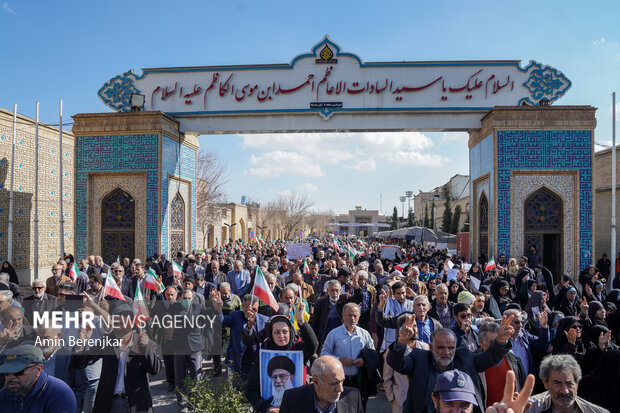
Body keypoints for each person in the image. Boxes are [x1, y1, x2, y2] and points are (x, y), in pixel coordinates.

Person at [387, 315, 515, 413]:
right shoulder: (419, 357)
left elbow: (489, 358)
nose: (446, 352)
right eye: (441, 347)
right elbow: (397, 363)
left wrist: (501, 340)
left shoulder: (464, 357)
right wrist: (402, 342)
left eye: (451, 347)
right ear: (431, 347)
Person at [71, 304, 162, 413]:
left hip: (136, 405)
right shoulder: (107, 341)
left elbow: (154, 369)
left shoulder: (144, 342)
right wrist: (81, 343)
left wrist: (145, 348)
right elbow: (80, 363)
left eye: (122, 323)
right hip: (109, 404)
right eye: (115, 324)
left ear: (132, 323)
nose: (118, 327)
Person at [245, 304, 319, 412]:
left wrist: (301, 320)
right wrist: (267, 408)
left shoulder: (299, 349)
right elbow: (250, 391)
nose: (281, 336)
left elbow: (313, 345)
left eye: (284, 332)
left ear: (292, 377)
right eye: (276, 332)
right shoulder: (264, 354)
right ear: (271, 334)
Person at [321, 303, 375, 407]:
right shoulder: (334, 334)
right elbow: (324, 354)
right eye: (349, 315)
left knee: (359, 407)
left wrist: (363, 360)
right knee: (341, 408)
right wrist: (339, 360)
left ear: (359, 317)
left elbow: (372, 353)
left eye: (355, 316)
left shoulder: (364, 334)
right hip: (340, 382)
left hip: (360, 381)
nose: (352, 318)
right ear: (343, 316)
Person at [0, 344, 76, 412]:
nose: (11, 377)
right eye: (6, 372)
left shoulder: (60, 393)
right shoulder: (2, 396)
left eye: (18, 371)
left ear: (38, 369)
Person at [279, 355, 364, 413]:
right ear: (316, 381)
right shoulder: (292, 400)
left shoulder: (353, 397)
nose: (340, 389)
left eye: (342, 381)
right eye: (335, 383)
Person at [527, 354, 610, 413]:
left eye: (569, 383)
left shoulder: (595, 411)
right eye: (558, 383)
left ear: (577, 384)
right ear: (545, 383)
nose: (565, 391)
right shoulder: (530, 408)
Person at [383, 313, 430, 413]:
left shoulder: (426, 348)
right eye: (408, 326)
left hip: (421, 402)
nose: (413, 329)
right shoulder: (393, 351)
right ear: (400, 329)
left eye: (415, 326)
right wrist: (392, 398)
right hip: (400, 401)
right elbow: (387, 377)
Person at [477, 321, 525, 408]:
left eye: (500, 341)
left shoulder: (514, 361)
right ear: (480, 342)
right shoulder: (472, 364)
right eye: (493, 342)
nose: (497, 346)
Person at [503, 308, 549, 377]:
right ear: (506, 321)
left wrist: (544, 326)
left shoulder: (523, 334)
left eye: (522, 322)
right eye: (517, 322)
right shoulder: (498, 339)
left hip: (527, 382)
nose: (520, 325)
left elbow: (542, 345)